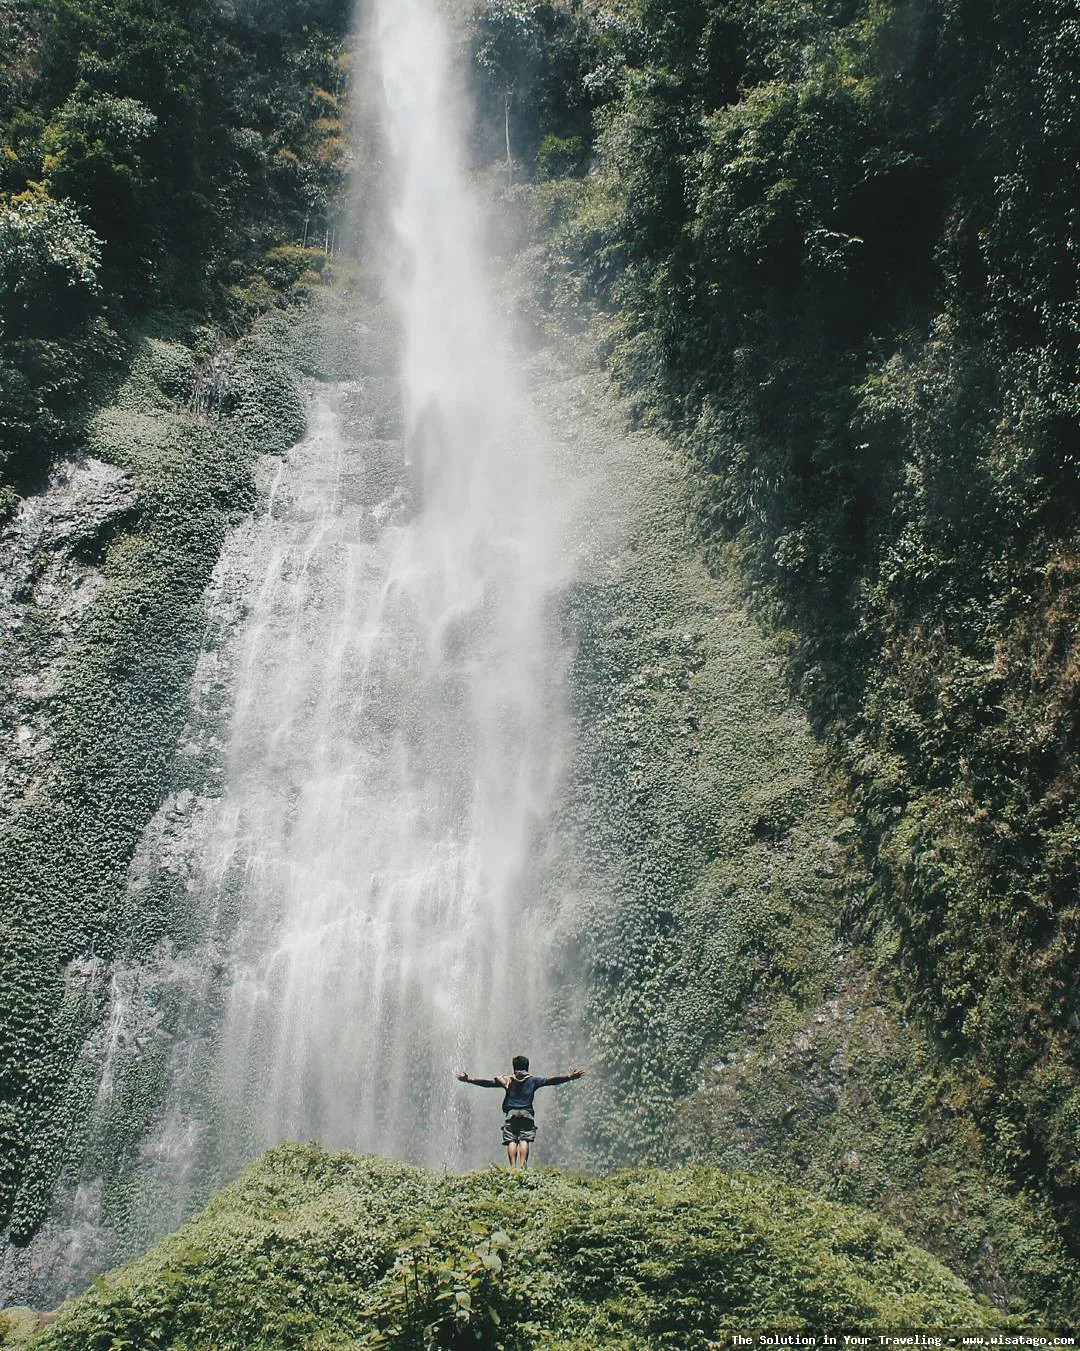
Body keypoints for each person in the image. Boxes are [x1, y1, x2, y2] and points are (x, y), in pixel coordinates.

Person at [457, 1055, 585, 1169]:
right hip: (527, 1113)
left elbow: (488, 1083)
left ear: (514, 1067)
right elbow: (551, 1081)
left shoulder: (507, 1080)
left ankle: (513, 1167)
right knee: (524, 1140)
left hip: (511, 1113)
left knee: (512, 1141)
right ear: (527, 1066)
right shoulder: (533, 1080)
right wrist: (569, 1077)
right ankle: (523, 1166)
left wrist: (469, 1079)